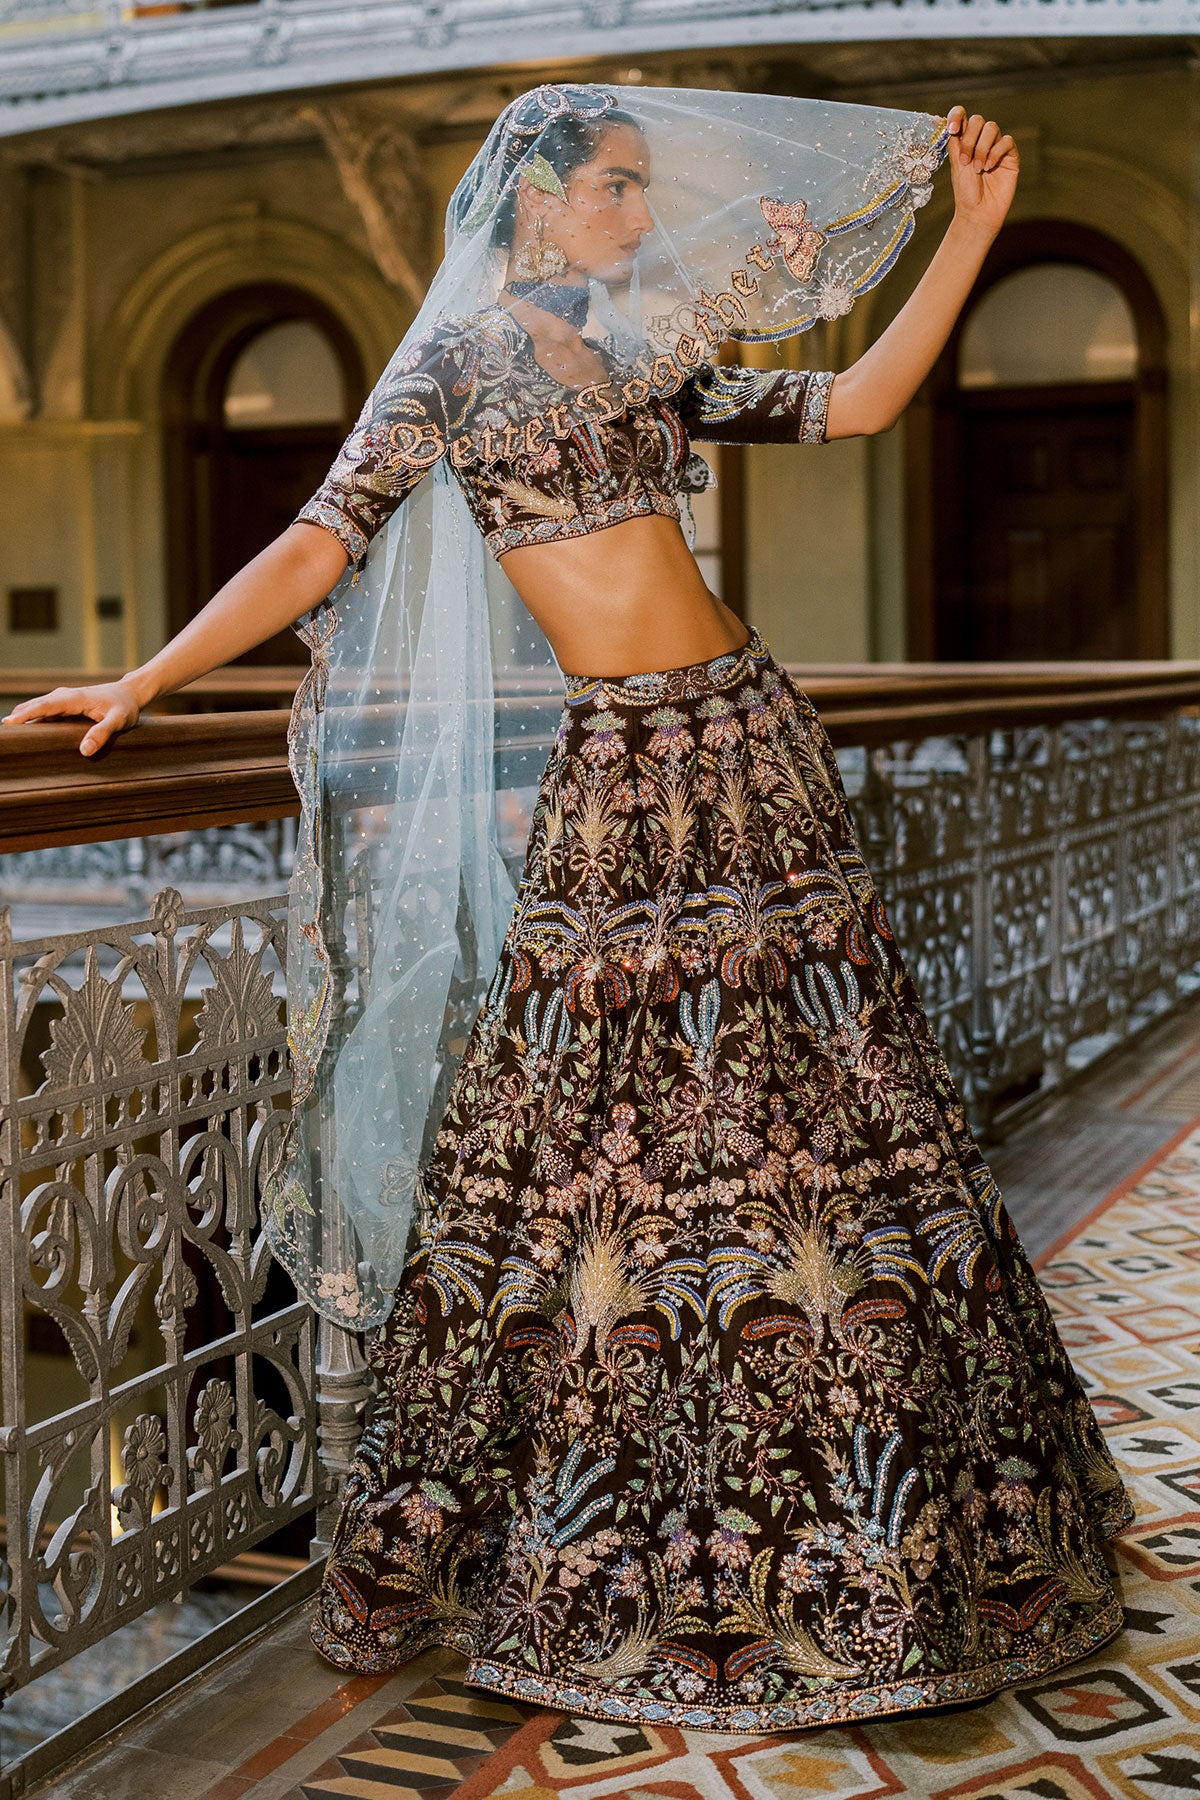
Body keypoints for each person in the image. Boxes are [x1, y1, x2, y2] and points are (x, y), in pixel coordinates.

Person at [4, 84, 1134, 1736]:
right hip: (627, 776)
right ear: (532, 202)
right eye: (612, 188)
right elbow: (315, 550)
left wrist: (968, 234)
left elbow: (864, 403)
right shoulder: (449, 369)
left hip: (750, 740)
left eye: (636, 189)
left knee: (830, 1131)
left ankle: (886, 1535)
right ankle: (641, 1540)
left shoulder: (648, 348)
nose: (632, 213)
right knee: (594, 1151)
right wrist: (145, 675)